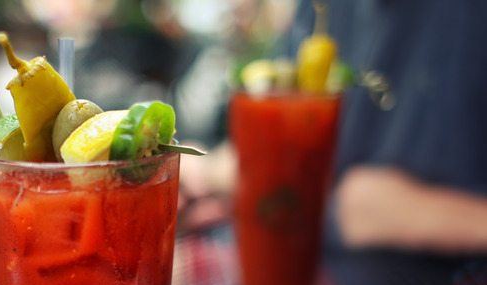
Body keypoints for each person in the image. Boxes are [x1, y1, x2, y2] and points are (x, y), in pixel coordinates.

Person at [181, 0, 487, 256]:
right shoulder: (321, 11)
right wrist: (203, 172)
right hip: (313, 273)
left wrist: (429, 215)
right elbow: (285, 138)